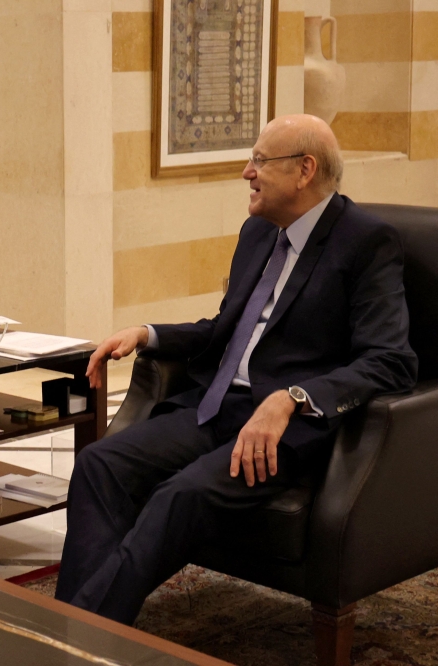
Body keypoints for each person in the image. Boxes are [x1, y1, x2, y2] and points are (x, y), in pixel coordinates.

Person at [55, 115, 417, 623]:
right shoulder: (258, 233)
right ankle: (77, 627)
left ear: (304, 170)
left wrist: (290, 397)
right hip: (213, 407)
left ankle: (79, 634)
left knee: (177, 497)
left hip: (283, 432)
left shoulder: (365, 242)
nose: (247, 172)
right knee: (99, 464)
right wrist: (149, 333)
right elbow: (225, 326)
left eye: (260, 161)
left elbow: (391, 361)